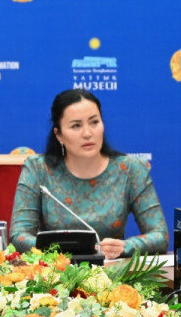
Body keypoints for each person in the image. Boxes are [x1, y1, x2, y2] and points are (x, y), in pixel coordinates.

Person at [11, 89, 168, 258]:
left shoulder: (130, 169)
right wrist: (63, 250)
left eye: (94, 122)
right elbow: (18, 236)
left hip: (111, 270)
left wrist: (125, 246)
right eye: (76, 126)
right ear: (59, 135)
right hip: (56, 269)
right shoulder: (38, 169)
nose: (87, 133)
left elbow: (160, 236)